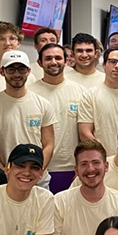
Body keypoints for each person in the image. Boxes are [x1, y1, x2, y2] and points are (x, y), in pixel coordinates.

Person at [0, 50, 56, 171]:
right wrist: (4, 172)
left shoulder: (43, 104)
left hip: (38, 177)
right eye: (11, 69)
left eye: (21, 69)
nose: (17, 74)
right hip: (5, 176)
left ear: (28, 71)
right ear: (1, 71)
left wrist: (38, 169)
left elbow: (49, 144)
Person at [30, 44, 86, 193]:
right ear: (40, 63)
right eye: (48, 58)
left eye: (58, 58)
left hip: (72, 167)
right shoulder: (30, 93)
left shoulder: (80, 91)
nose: (53, 62)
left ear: (66, 61)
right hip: (40, 168)